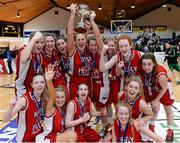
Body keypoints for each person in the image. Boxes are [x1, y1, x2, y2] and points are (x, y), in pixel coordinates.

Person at [36, 64, 77, 142]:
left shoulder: (64, 110)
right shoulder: (50, 109)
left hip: (57, 138)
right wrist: (49, 81)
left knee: (71, 133)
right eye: (57, 97)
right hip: (47, 139)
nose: (60, 100)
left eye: (62, 97)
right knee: (72, 135)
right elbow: (52, 96)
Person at [141, 53, 174, 142]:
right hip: (152, 87)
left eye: (149, 64)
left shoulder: (160, 74)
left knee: (168, 109)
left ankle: (170, 130)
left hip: (164, 88)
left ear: (154, 64)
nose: (146, 67)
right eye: (144, 64)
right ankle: (152, 126)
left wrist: (156, 100)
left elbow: (164, 88)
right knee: (154, 108)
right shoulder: (142, 71)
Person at [3, 74, 46, 142]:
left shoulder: (43, 97)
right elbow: (5, 119)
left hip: (38, 136)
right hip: (25, 139)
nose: (39, 85)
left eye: (42, 82)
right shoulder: (24, 100)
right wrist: (11, 107)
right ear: (32, 85)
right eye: (36, 82)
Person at [67, 4, 94, 98]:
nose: (81, 41)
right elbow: (70, 34)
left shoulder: (89, 49)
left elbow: (95, 37)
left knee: (87, 107)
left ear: (86, 41)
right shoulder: (72, 51)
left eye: (83, 39)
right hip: (75, 83)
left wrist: (90, 25)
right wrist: (72, 14)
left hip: (87, 82)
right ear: (75, 42)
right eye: (78, 40)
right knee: (74, 106)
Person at [15, 31, 45, 98]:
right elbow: (23, 59)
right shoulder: (25, 51)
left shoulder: (38, 54)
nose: (40, 45)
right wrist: (34, 38)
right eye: (36, 42)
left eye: (42, 42)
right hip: (23, 90)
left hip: (34, 88)